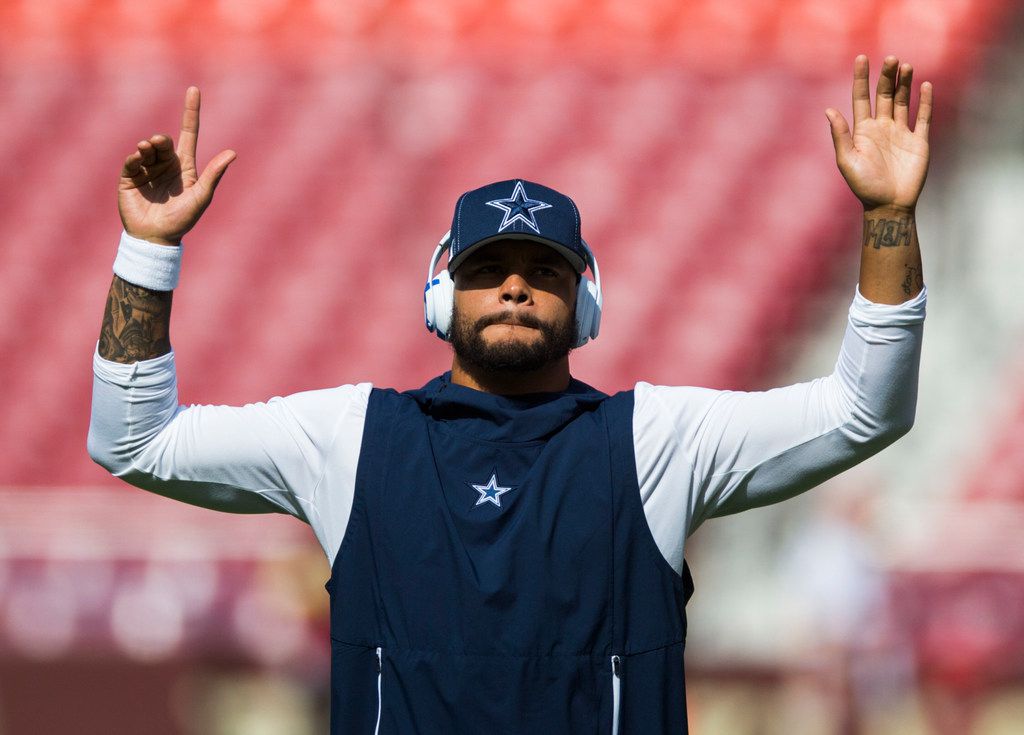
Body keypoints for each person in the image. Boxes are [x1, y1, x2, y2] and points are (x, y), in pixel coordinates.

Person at [88, 55, 931, 733]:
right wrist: (148, 251)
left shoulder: (655, 440)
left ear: (586, 302)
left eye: (544, 272)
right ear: (441, 295)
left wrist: (889, 217)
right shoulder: (348, 437)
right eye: (487, 271)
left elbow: (864, 410)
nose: (516, 289)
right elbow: (134, 440)